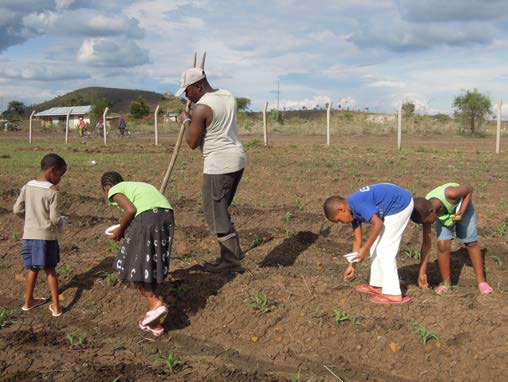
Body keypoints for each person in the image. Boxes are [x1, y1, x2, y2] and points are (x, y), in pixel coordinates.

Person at [176, 67, 246, 273]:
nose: (187, 96)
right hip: (237, 158)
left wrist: (186, 120)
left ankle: (231, 261)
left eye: (188, 91)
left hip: (219, 164)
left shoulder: (201, 109)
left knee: (215, 213)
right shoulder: (227, 95)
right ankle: (235, 252)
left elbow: (192, 142)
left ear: (198, 86)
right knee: (221, 207)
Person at [101, 171, 174, 336]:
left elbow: (130, 210)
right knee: (150, 264)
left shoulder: (115, 189)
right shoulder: (139, 186)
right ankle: (154, 322)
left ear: (106, 188)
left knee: (132, 264)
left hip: (147, 218)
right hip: (167, 217)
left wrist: (119, 231)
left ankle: (156, 303)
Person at [323, 183, 414, 304]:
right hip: (389, 206)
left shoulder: (358, 204)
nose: (341, 223)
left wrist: (365, 249)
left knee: (385, 250)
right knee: (376, 245)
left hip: (400, 204)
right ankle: (377, 285)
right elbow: (357, 240)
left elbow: (378, 224)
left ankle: (393, 294)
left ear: (341, 209)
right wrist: (352, 265)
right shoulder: (351, 212)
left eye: (339, 220)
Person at [411, 183, 493, 294]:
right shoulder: (425, 212)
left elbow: (469, 189)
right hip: (443, 213)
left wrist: (461, 212)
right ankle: (446, 284)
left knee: (470, 242)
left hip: (462, 205)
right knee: (442, 245)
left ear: (431, 211)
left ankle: (481, 282)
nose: (428, 224)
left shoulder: (452, 194)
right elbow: (426, 243)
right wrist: (422, 272)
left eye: (427, 222)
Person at [13, 153, 67, 317]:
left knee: (32, 268)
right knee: (50, 270)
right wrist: (63, 223)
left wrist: (29, 219)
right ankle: (56, 307)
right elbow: (54, 218)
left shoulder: (27, 187)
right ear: (52, 171)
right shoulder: (53, 192)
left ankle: (28, 302)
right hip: (46, 237)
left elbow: (17, 210)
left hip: (29, 235)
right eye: (60, 174)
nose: (60, 179)